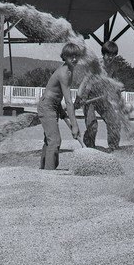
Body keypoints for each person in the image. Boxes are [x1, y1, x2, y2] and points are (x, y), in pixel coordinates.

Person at [37, 42, 81, 170]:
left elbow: (57, 94)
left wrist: (60, 111)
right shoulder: (64, 73)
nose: (74, 59)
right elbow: (68, 101)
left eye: (76, 56)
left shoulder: (69, 71)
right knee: (55, 141)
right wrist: (75, 125)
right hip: (47, 106)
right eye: (70, 56)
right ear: (64, 57)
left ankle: (44, 169)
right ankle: (49, 172)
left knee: (49, 140)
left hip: (54, 105)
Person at [82, 40, 121, 150]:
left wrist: (118, 91)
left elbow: (114, 81)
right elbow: (87, 82)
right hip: (89, 97)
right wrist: (83, 97)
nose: (110, 57)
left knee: (114, 121)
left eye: (113, 55)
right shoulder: (96, 65)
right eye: (108, 54)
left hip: (102, 97)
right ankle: (90, 146)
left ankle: (113, 146)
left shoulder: (113, 67)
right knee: (92, 125)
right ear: (103, 54)